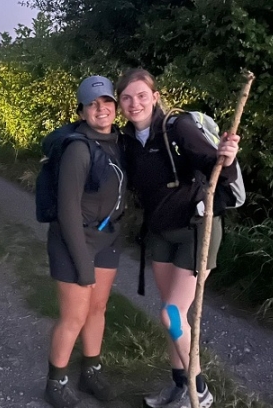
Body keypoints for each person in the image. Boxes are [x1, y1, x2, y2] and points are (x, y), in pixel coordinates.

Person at [117, 68, 241, 408]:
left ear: (155, 97)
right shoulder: (127, 140)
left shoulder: (177, 127)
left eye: (142, 95)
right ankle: (179, 386)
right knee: (174, 316)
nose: (135, 103)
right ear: (120, 104)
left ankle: (199, 390)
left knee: (171, 315)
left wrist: (227, 157)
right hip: (159, 231)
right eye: (126, 97)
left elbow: (217, 167)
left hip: (195, 230)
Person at [43, 75, 126, 408]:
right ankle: (55, 381)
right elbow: (66, 211)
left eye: (106, 101)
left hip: (107, 238)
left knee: (98, 308)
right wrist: (83, 266)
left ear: (115, 108)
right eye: (92, 104)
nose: (100, 108)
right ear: (81, 112)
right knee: (74, 316)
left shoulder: (118, 142)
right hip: (74, 240)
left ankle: (90, 371)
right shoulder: (78, 148)